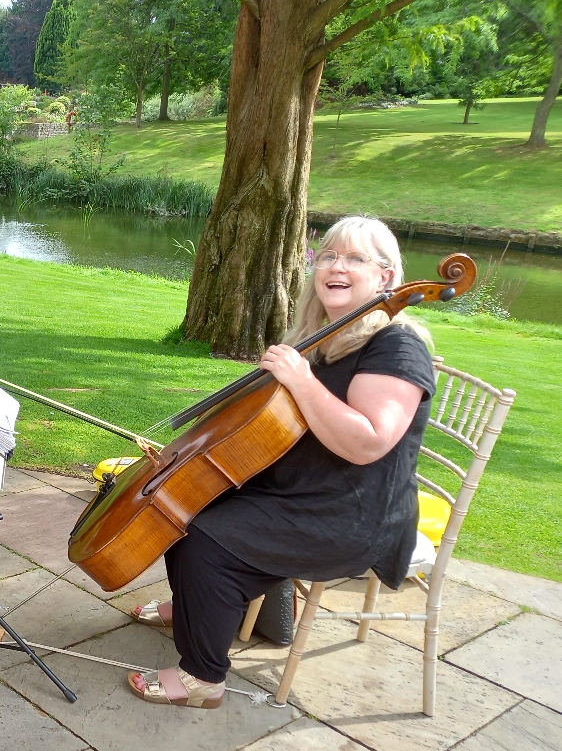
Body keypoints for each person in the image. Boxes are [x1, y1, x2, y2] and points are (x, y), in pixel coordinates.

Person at [127, 216, 435, 709]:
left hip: (351, 515)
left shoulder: (396, 346)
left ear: (385, 277)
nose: (337, 266)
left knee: (203, 536)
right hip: (303, 489)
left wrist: (300, 380)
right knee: (187, 504)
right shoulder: (321, 337)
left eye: (355, 258)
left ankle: (203, 677)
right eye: (329, 256)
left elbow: (369, 442)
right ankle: (198, 608)